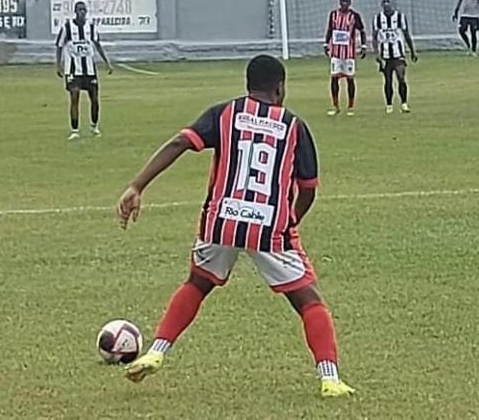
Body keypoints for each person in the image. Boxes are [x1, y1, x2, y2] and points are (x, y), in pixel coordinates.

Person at [116, 55, 355, 398]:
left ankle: (155, 352)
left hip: (222, 221)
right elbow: (308, 189)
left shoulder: (224, 114)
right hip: (270, 228)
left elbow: (180, 142)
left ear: (247, 85)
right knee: (309, 301)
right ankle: (330, 379)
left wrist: (137, 186)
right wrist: (288, 224)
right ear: (280, 88)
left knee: (197, 284)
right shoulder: (294, 126)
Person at [55, 1, 113, 139]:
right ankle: (75, 130)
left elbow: (97, 44)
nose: (82, 12)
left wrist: (107, 62)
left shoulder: (91, 27)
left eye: (84, 10)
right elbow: (59, 46)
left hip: (89, 70)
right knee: (74, 96)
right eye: (79, 10)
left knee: (94, 98)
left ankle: (94, 126)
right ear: (75, 11)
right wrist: (58, 65)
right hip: (73, 69)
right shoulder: (67, 27)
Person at [372, 0, 418, 114]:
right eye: (384, 2)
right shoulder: (377, 18)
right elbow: (375, 37)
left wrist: (413, 50)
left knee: (401, 77)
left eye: (388, 2)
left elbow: (406, 34)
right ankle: (389, 105)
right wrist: (377, 53)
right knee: (387, 80)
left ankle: (404, 103)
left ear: (392, 4)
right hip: (385, 55)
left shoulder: (399, 17)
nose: (386, 4)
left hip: (398, 53)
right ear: (381, 5)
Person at [323, 0, 366, 117]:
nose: (344, 3)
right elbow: (330, 30)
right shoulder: (333, 15)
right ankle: (335, 106)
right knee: (334, 78)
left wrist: (363, 46)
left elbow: (362, 30)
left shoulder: (354, 16)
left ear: (350, 3)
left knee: (350, 79)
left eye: (346, 1)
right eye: (342, 1)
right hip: (336, 52)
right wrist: (326, 44)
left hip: (349, 53)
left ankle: (350, 106)